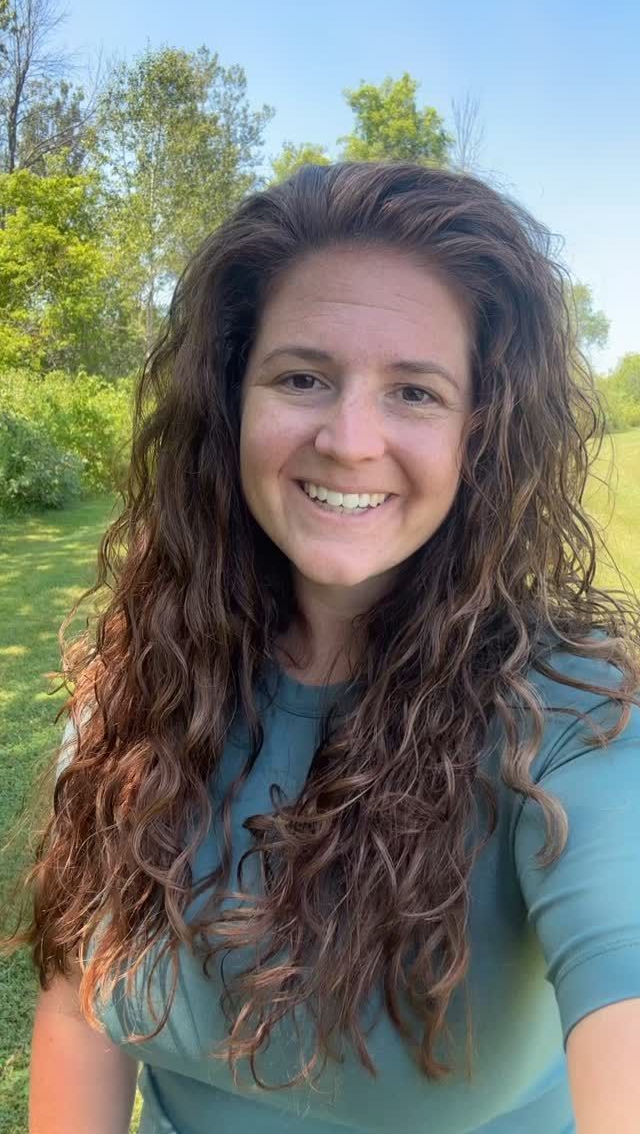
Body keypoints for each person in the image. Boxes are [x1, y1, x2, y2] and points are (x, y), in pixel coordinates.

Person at [6, 160, 640, 1133]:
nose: (348, 438)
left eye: (415, 392)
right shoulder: (139, 683)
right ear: (232, 401)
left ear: (483, 431)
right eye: (303, 376)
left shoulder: (572, 718)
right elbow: (79, 1011)